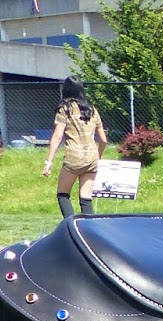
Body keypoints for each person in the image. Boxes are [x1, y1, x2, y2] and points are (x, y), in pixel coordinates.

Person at [42, 76, 107, 219]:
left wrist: (48, 162)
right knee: (86, 198)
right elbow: (103, 140)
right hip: (92, 156)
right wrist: (99, 157)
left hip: (74, 155)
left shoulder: (65, 109)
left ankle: (71, 227)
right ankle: (89, 231)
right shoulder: (92, 110)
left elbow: (58, 136)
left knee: (63, 194)